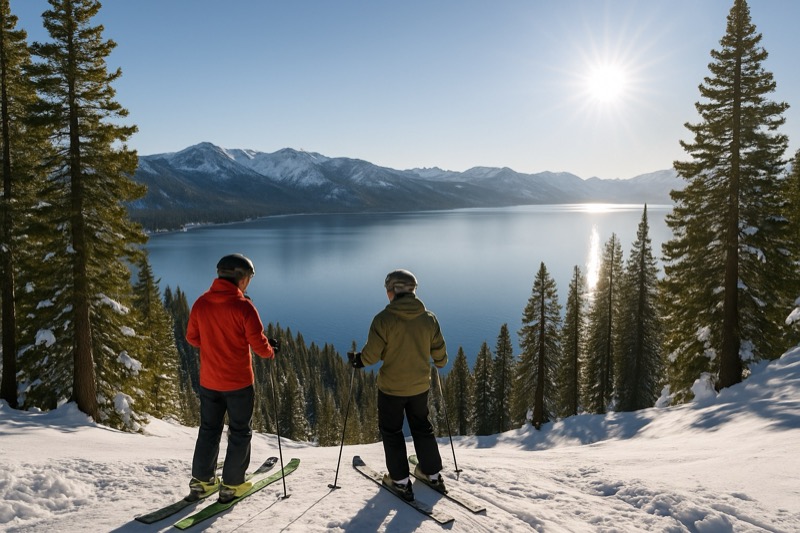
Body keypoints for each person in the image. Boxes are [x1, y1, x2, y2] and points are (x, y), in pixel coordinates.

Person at [185, 253, 278, 503]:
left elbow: (192, 338)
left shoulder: (202, 303)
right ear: (241, 278)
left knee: (208, 429)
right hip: (238, 384)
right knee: (239, 431)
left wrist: (213, 341)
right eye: (248, 278)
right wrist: (271, 351)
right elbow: (259, 346)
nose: (248, 283)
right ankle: (232, 485)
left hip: (209, 382)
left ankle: (201, 483)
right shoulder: (243, 306)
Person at [349, 269, 448, 501]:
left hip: (391, 390)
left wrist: (358, 361)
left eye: (388, 290)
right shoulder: (428, 318)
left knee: (392, 432)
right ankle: (432, 474)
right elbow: (440, 354)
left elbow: (371, 356)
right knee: (422, 427)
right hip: (419, 388)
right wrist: (440, 362)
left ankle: (400, 482)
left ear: (393, 291)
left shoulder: (383, 319)